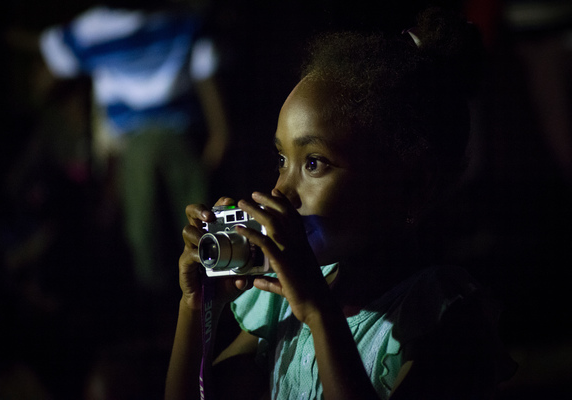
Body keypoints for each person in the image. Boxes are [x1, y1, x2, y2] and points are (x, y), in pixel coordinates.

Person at [165, 7, 516, 400]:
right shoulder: (280, 301)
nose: (281, 191)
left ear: (412, 185)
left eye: (314, 163)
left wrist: (319, 313)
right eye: (282, 160)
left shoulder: (441, 316)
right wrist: (194, 309)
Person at [38, 0, 230, 293]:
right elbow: (52, 69)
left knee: (174, 224)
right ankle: (179, 295)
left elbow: (206, 75)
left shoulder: (180, 19)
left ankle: (182, 292)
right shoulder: (97, 29)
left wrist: (219, 134)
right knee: (170, 223)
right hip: (143, 142)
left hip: (172, 138)